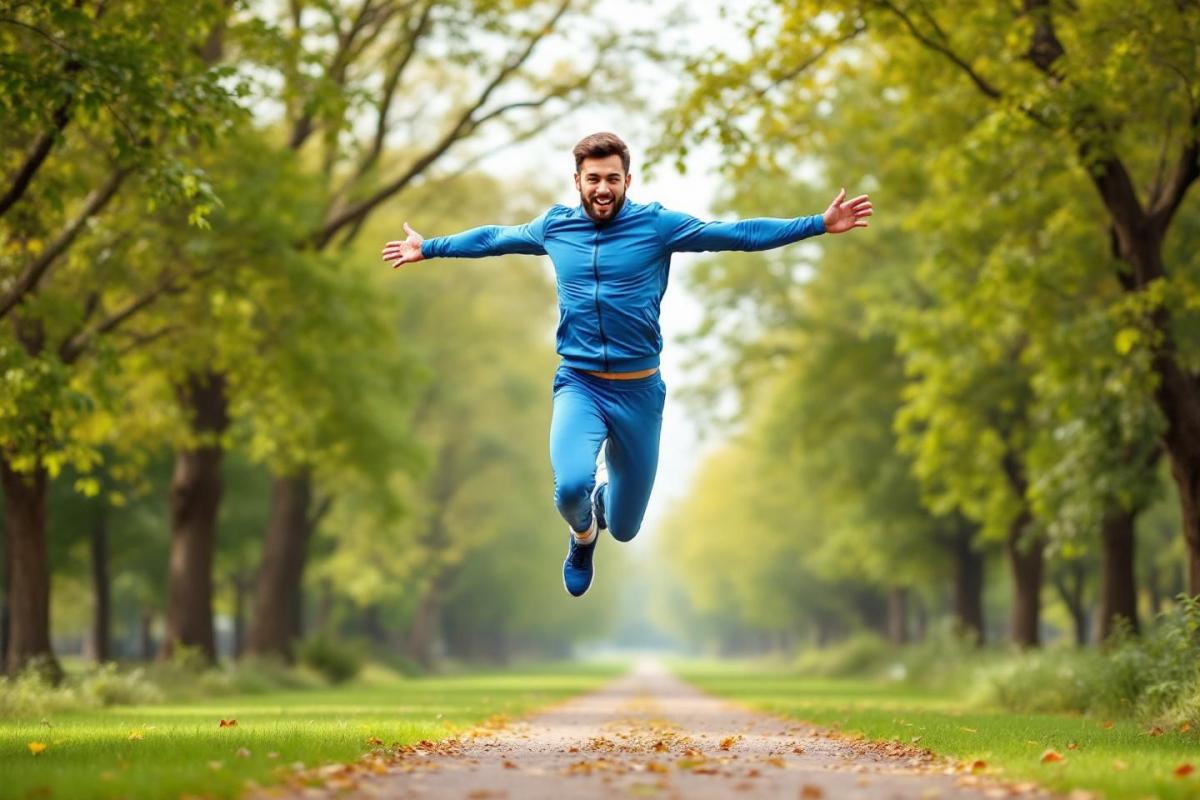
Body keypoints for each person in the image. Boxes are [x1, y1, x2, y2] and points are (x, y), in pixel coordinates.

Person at [381, 132, 872, 597]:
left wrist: (818, 224)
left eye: (612, 179)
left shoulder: (656, 226)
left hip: (639, 394)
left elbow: (736, 233)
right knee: (570, 485)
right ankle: (582, 537)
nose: (602, 189)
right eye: (592, 179)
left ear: (627, 182)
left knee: (629, 526)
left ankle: (603, 510)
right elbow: (494, 238)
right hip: (580, 385)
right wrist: (430, 247)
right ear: (577, 181)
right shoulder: (555, 227)